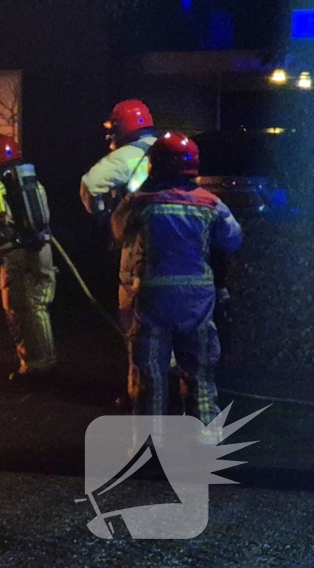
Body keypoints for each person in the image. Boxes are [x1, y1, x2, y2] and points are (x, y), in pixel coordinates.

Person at [110, 131, 242, 424]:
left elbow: (118, 230)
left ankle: (149, 449)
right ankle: (205, 443)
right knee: (200, 375)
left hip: (154, 299)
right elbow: (232, 240)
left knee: (151, 377)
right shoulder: (211, 204)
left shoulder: (142, 202)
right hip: (197, 302)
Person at [0, 134, 57, 383]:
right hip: (44, 251)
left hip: (16, 257)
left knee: (18, 310)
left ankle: (34, 366)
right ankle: (46, 360)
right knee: (38, 307)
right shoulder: (34, 183)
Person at [80, 99, 160, 332]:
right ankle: (172, 364)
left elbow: (91, 184)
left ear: (121, 128)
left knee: (132, 312)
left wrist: (101, 213)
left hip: (136, 241)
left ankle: (143, 365)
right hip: (174, 239)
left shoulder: (124, 156)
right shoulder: (165, 149)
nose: (110, 136)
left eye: (112, 129)